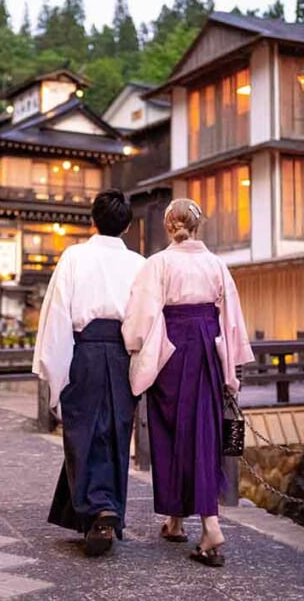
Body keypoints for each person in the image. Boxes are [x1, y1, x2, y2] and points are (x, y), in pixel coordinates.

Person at [122, 198, 254, 567]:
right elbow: (231, 319)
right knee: (203, 433)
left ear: (169, 228)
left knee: (171, 432)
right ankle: (177, 520)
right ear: (199, 226)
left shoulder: (158, 264)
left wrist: (132, 346)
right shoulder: (216, 265)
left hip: (172, 351)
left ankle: (209, 524)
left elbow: (142, 315)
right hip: (208, 350)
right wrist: (231, 370)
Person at [32, 189, 146, 557]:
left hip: (84, 350)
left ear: (91, 220)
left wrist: (55, 374)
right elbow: (147, 320)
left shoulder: (74, 257)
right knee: (114, 434)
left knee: (82, 434)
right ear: (127, 225)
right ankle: (96, 511)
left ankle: (100, 511)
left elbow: (59, 316)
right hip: (123, 353)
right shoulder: (139, 264)